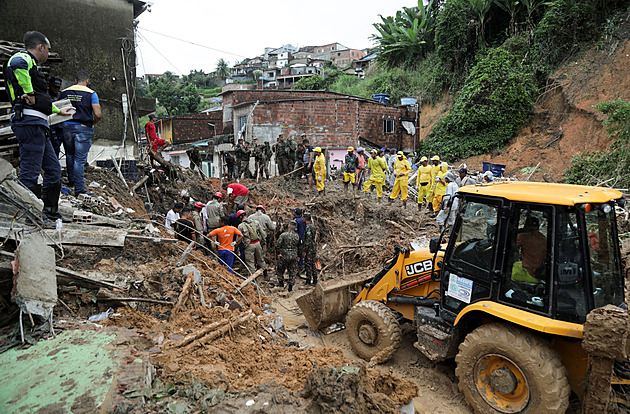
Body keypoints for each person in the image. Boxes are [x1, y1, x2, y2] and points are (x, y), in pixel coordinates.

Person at [5, 31, 74, 225]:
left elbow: (41, 102)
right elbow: (17, 64)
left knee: (53, 170)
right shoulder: (22, 58)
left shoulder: (33, 66)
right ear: (40, 47)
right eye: (48, 49)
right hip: (29, 124)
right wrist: (28, 91)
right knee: (30, 172)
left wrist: (59, 111)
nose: (49, 53)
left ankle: (50, 212)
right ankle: (29, 217)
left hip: (38, 125)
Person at [60, 71, 102, 197]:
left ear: (75, 80)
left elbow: (58, 109)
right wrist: (93, 122)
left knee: (69, 154)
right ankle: (79, 189)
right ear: (87, 81)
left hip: (66, 126)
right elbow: (98, 114)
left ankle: (72, 180)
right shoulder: (91, 93)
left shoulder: (64, 92)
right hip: (83, 128)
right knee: (79, 159)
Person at [514, 216, 547, 282]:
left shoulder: (523, 237)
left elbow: (511, 249)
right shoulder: (544, 239)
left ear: (526, 226)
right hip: (539, 274)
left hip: (529, 273)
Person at [236, 210, 268, 277]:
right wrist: (264, 241)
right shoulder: (255, 222)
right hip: (257, 243)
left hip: (249, 245)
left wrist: (235, 246)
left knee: (250, 262)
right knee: (260, 259)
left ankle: (254, 278)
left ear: (240, 217)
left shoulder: (241, 226)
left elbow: (239, 238)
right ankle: (265, 273)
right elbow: (263, 234)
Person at [276, 220, 301, 291]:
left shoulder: (283, 235)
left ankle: (281, 284)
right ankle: (290, 288)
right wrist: (298, 255)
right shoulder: (297, 236)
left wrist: (278, 253)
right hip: (294, 255)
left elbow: (278, 245)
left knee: (280, 270)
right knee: (292, 271)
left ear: (289, 226)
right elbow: (300, 247)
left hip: (284, 255)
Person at [47, 76, 64, 158]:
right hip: (49, 124)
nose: (56, 89)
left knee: (57, 146)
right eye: (55, 87)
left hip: (60, 124)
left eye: (58, 87)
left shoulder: (61, 95)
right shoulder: (45, 95)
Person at [302, 212, 318, 285]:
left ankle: (308, 280)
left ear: (305, 218)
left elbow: (308, 239)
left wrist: (305, 251)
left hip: (309, 249)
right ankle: (315, 279)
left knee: (308, 264)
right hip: (313, 247)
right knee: (312, 264)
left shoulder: (308, 227)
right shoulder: (313, 226)